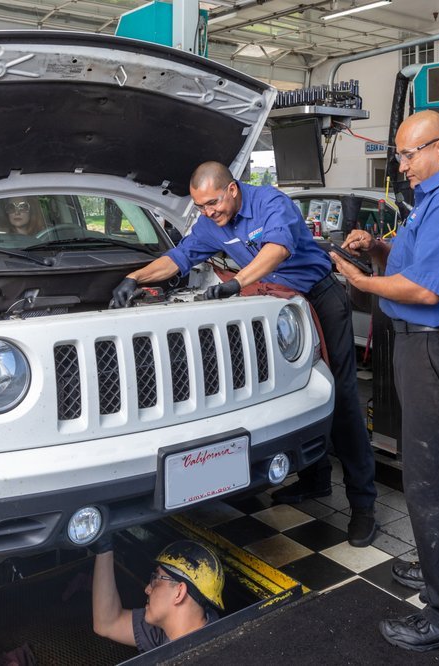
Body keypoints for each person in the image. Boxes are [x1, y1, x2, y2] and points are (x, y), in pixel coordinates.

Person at [110, 161, 377, 547]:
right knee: (299, 391)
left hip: (320, 297)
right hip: (280, 309)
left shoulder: (271, 202)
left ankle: (363, 506)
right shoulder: (210, 222)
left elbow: (277, 249)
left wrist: (237, 282)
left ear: (233, 189)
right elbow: (180, 258)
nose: (208, 213)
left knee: (342, 396)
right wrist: (135, 277)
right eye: (201, 206)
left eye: (213, 203)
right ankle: (316, 480)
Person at [331, 110, 439, 651]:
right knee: (430, 478)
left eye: (408, 154)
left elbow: (428, 291)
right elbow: (417, 263)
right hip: (426, 351)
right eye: (399, 155)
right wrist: (377, 251)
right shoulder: (432, 199)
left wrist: (361, 279)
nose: (401, 165)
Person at [92, 538, 223, 652]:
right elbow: (107, 623)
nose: (147, 589)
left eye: (156, 580)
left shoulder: (211, 655)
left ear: (179, 592)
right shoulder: (168, 630)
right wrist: (104, 548)